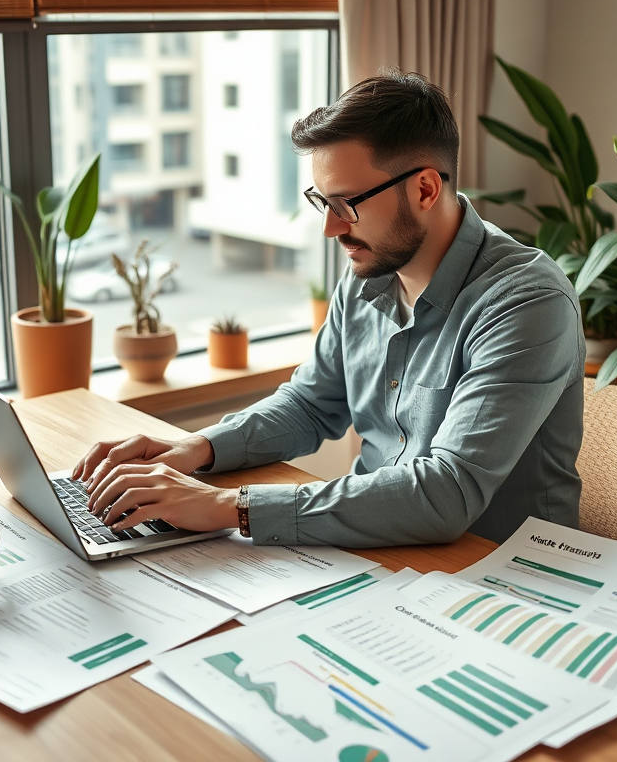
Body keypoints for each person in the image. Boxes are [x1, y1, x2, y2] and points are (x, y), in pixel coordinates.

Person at [73, 70, 585, 548]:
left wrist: (231, 507)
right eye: (323, 203)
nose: (331, 229)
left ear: (426, 188)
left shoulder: (526, 301)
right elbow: (311, 404)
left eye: (346, 204)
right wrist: (196, 449)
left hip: (506, 573)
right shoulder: (372, 267)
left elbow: (446, 494)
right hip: (388, 554)